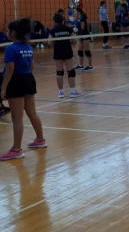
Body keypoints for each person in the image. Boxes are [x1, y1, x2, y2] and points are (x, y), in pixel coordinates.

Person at [0, 18, 46, 161]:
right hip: (28, 79)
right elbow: (32, 67)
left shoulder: (11, 48)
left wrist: (3, 88)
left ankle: (16, 150)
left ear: (13, 33)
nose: (6, 32)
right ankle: (40, 140)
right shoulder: (28, 47)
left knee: (17, 118)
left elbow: (10, 70)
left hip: (16, 82)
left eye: (8, 30)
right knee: (32, 113)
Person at [49, 13, 81, 98]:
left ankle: (61, 92)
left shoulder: (53, 30)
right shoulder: (68, 28)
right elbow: (74, 40)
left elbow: (49, 42)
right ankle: (73, 91)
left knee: (59, 72)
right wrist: (69, 41)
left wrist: (56, 42)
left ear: (54, 21)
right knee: (70, 71)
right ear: (63, 20)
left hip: (58, 52)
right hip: (67, 51)